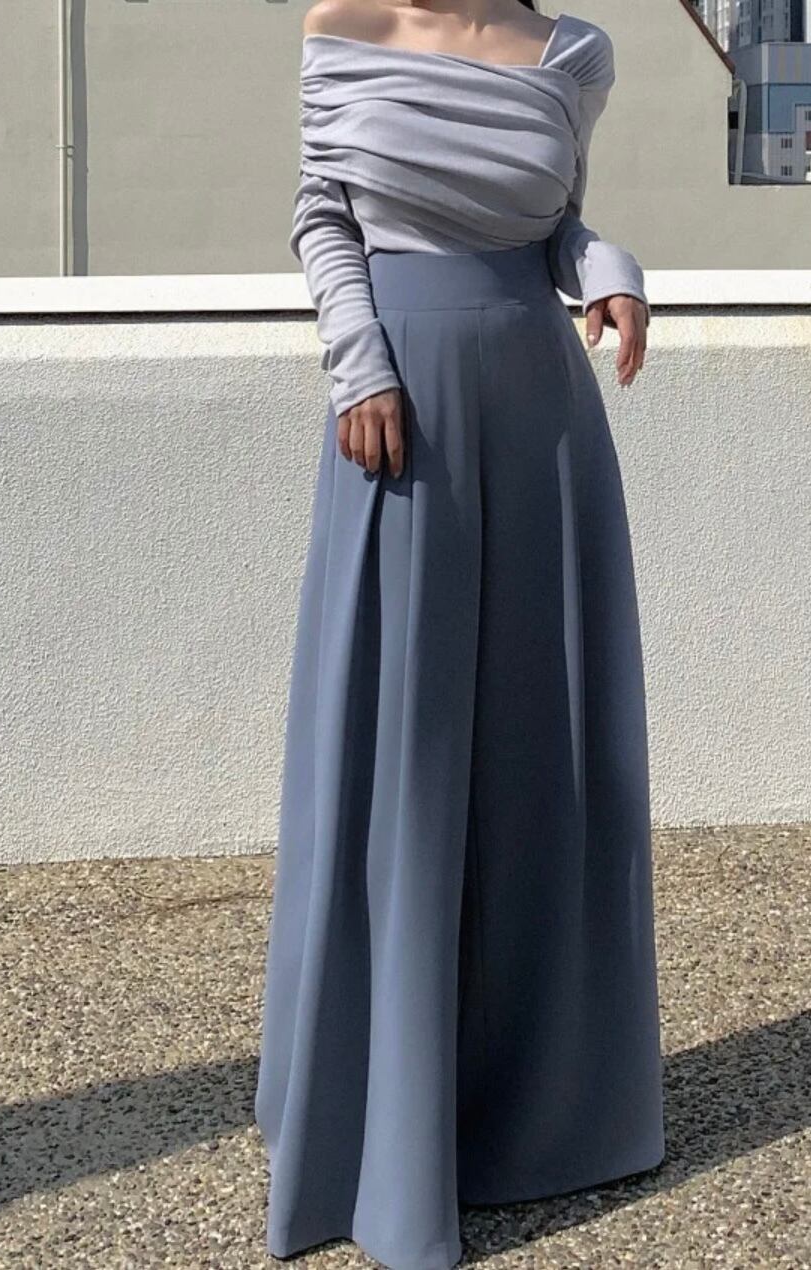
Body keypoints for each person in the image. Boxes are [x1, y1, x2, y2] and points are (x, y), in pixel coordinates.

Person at [254, 2, 665, 1267]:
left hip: (539, 409)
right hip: (398, 407)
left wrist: (606, 268)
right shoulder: (346, 23)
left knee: (546, 749)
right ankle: (376, 1125)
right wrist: (358, 363)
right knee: (404, 750)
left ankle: (546, 1108)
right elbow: (323, 215)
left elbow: (553, 225)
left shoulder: (571, 52)